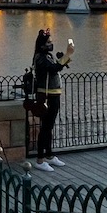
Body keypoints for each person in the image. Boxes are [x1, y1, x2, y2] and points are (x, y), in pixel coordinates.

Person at [32, 28, 74, 172]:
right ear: (42, 44)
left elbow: (57, 68)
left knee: (49, 127)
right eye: (49, 42)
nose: (51, 44)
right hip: (46, 95)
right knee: (45, 127)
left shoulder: (47, 56)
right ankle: (39, 159)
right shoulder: (40, 58)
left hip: (53, 94)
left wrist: (64, 58)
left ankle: (49, 155)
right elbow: (54, 68)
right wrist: (68, 54)